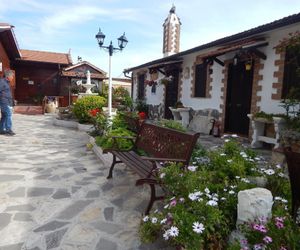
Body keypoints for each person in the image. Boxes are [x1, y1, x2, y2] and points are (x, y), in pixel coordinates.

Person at [0, 70, 15, 135]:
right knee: (8, 114)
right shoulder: (2, 82)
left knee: (4, 116)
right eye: (12, 76)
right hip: (4, 102)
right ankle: (8, 129)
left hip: (7, 101)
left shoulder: (6, 82)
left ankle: (1, 130)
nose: (12, 78)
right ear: (8, 76)